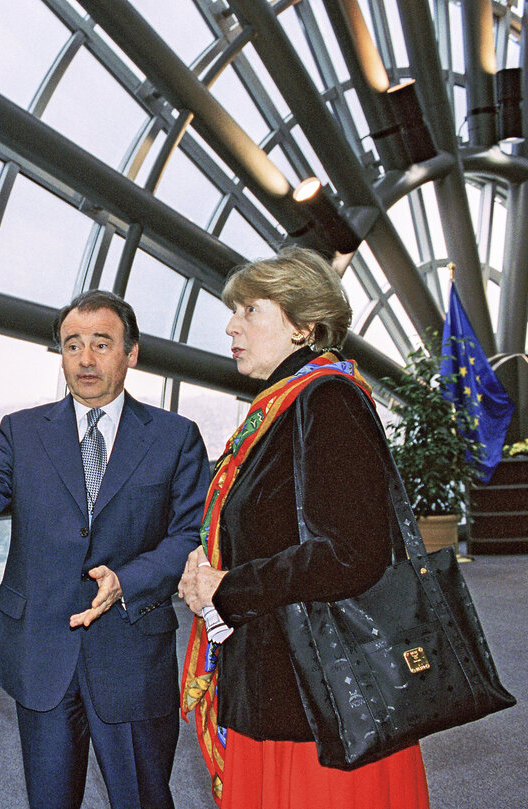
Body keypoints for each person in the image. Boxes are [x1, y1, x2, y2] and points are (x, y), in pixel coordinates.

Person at [0, 289, 210, 809]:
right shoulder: (23, 430)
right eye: (72, 345)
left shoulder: (175, 437)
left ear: (132, 353)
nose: (85, 358)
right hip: (43, 652)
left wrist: (128, 579)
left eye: (102, 344)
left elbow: (189, 536)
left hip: (131, 652)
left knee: (142, 797)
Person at [177, 246, 431, 808]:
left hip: (319, 696)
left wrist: (229, 588)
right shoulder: (282, 407)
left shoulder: (329, 401)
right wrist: (211, 563)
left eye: (249, 311)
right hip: (284, 680)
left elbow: (352, 552)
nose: (230, 325)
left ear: (304, 327)